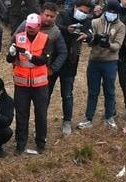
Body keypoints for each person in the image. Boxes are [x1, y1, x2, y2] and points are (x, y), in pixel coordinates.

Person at [7, 13, 57, 153]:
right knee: (21, 114)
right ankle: (20, 143)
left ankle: (41, 142)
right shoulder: (18, 37)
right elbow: (10, 60)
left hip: (40, 84)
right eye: (29, 27)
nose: (31, 29)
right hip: (22, 84)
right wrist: (11, 54)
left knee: (41, 114)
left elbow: (45, 60)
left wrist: (32, 57)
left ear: (39, 26)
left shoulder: (45, 38)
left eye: (34, 27)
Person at [81, 4, 126, 129]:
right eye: (109, 11)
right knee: (93, 91)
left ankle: (109, 117)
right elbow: (89, 41)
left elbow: (118, 45)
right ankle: (88, 117)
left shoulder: (121, 26)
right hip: (94, 61)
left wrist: (108, 45)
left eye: (114, 12)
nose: (111, 14)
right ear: (105, 11)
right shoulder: (95, 22)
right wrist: (94, 39)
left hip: (110, 62)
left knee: (109, 90)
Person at [54, 1, 95, 136]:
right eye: (81, 10)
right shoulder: (63, 14)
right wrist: (68, 29)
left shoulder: (87, 20)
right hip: (54, 58)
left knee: (67, 93)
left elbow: (90, 33)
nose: (82, 14)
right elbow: (55, 27)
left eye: (86, 12)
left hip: (71, 61)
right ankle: (40, 122)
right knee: (46, 93)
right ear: (75, 7)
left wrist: (86, 36)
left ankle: (67, 121)